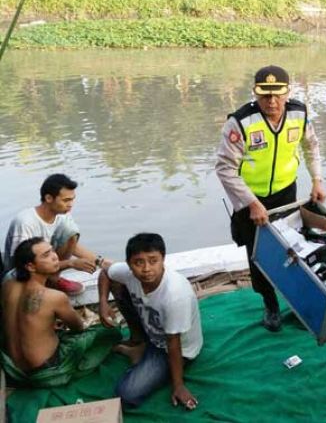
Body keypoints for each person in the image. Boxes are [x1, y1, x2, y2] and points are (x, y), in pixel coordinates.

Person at [215, 65, 326, 332]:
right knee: (258, 255)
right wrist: (251, 203)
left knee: (293, 248)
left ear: (288, 92)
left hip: (286, 193)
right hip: (250, 199)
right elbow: (224, 168)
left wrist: (317, 179)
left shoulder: (299, 113)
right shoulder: (240, 122)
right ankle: (270, 303)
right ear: (255, 93)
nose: (272, 101)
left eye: (278, 95)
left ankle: (299, 301)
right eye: (265, 95)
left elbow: (311, 146)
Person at [98, 233, 202, 410]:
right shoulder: (129, 273)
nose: (146, 269)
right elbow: (106, 272)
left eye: (153, 261)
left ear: (163, 259)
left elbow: (173, 343)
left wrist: (178, 385)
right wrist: (103, 303)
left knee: (127, 395)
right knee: (117, 283)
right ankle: (139, 343)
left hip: (174, 348)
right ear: (129, 264)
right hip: (151, 328)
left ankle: (140, 354)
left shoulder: (175, 295)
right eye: (138, 263)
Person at [1, 237, 119, 387]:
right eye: (46, 255)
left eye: (52, 251)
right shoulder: (54, 297)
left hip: (12, 368)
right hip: (44, 371)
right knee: (109, 332)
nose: (55, 256)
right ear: (30, 266)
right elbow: (78, 328)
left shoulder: (8, 284)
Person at [3, 173, 110, 296]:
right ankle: (44, 282)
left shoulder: (62, 216)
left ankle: (52, 279)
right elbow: (23, 265)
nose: (70, 204)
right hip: (22, 275)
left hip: (43, 262)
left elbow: (72, 244)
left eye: (72, 199)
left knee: (71, 231)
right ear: (49, 198)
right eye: (66, 200)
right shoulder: (25, 222)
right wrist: (71, 263)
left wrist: (100, 262)